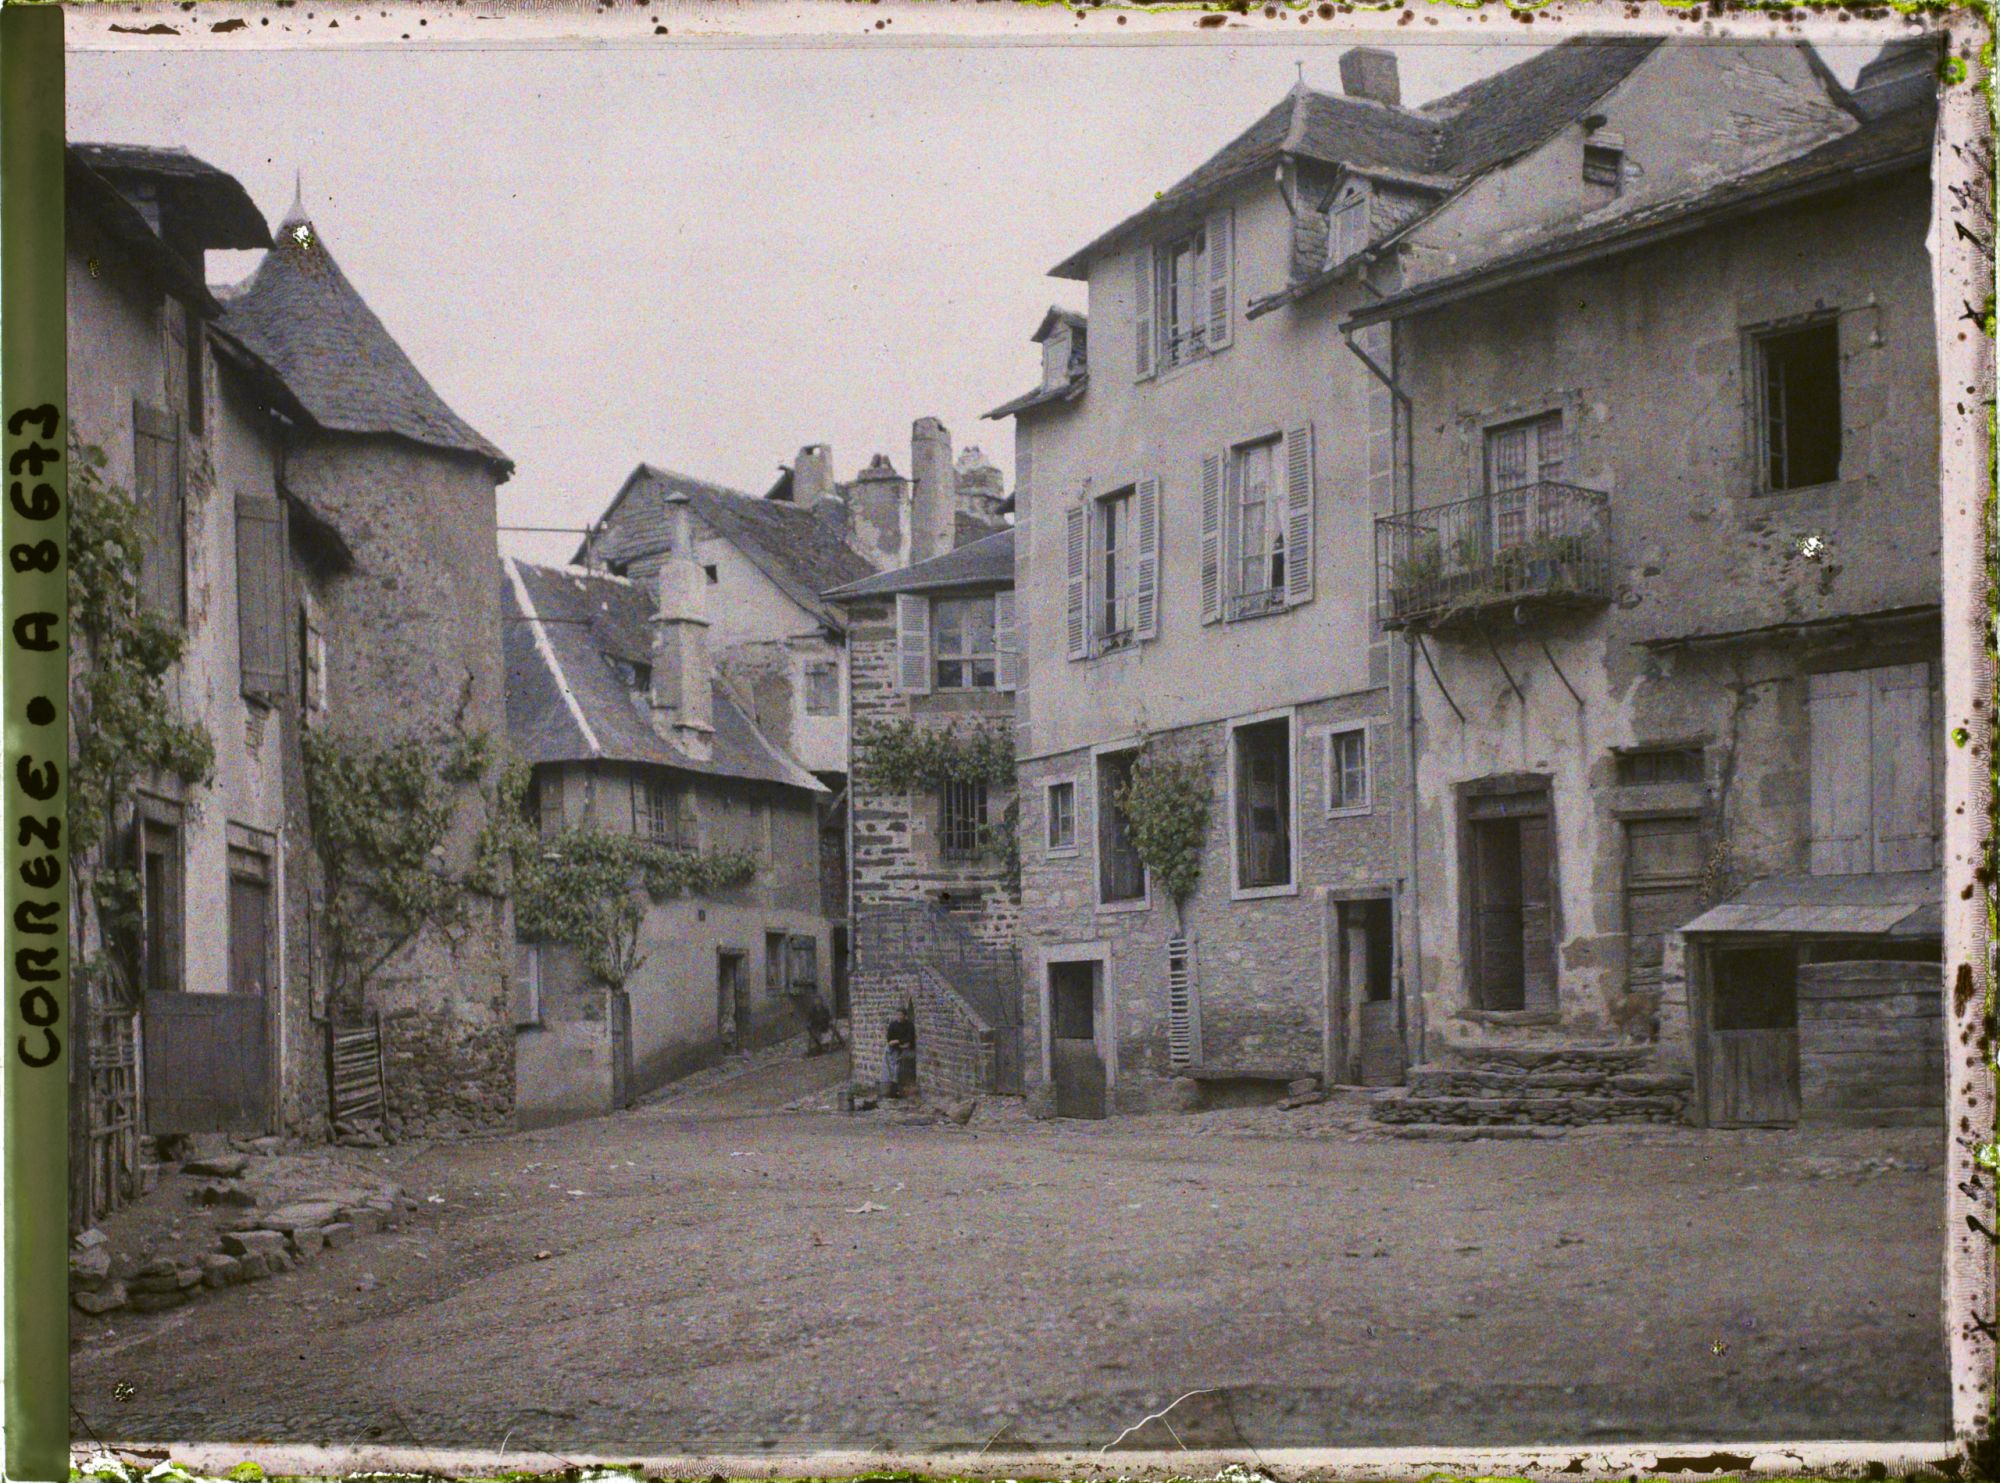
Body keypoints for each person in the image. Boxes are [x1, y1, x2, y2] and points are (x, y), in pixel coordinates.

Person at [883, 1004, 916, 1098]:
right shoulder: (893, 1025)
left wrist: (898, 1041)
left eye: (901, 1015)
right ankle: (892, 1088)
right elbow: (890, 1039)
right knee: (890, 1067)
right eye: (897, 1014)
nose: (899, 1016)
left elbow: (909, 1039)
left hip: (905, 1050)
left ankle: (901, 1089)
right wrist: (899, 1043)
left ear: (905, 1016)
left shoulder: (909, 1025)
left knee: (900, 1067)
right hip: (895, 1049)